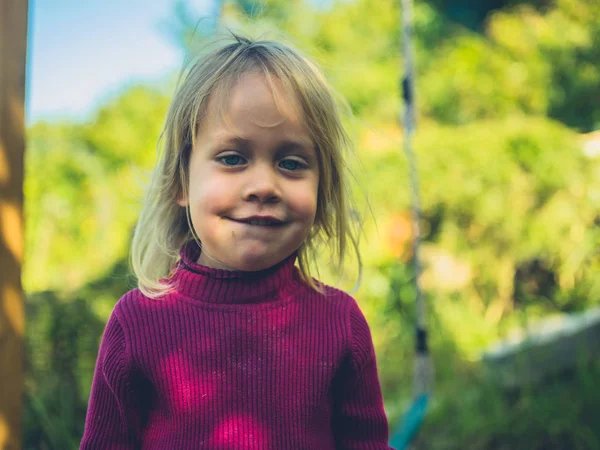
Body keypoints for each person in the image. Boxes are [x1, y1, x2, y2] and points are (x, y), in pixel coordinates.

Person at [80, 32, 393, 449]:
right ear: (181, 181)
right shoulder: (136, 323)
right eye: (232, 158)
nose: (263, 185)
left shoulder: (340, 324)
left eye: (291, 162)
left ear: (323, 189)